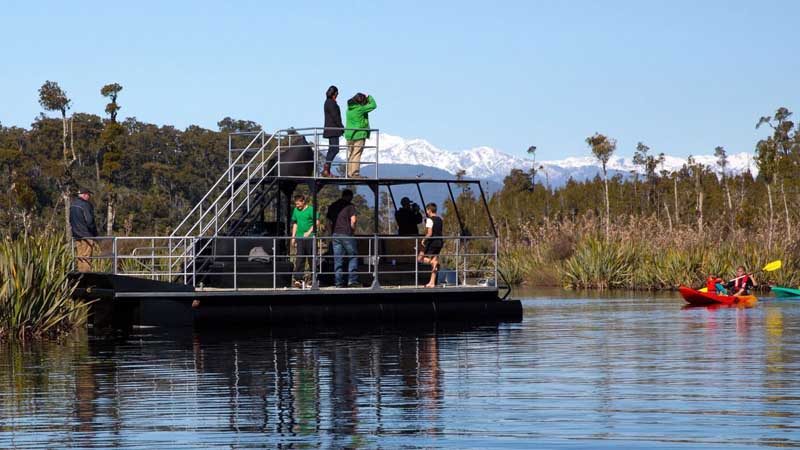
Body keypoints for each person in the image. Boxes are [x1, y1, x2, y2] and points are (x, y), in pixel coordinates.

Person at [326, 189, 359, 287]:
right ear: (349, 196)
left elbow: (327, 221)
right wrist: (352, 231)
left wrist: (331, 232)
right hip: (346, 233)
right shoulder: (350, 206)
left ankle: (338, 282)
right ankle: (352, 281)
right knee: (353, 255)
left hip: (335, 234)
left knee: (338, 259)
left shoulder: (333, 205)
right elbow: (353, 220)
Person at [344, 93, 377, 178]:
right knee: (357, 153)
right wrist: (369, 96)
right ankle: (355, 173)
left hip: (349, 134)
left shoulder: (349, 110)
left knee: (351, 154)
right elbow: (373, 105)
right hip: (359, 134)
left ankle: (349, 173)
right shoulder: (360, 109)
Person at [290, 194, 320, 288]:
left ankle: (313, 279)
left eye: (298, 204)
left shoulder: (311, 210)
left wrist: (309, 232)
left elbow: (317, 222)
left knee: (312, 258)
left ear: (303, 202)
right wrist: (293, 237)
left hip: (310, 238)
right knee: (299, 259)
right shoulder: (295, 210)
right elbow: (295, 223)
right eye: (296, 204)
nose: (297, 206)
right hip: (300, 238)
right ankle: (298, 279)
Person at [70, 188, 98, 272]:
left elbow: (70, 220)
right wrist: (94, 233)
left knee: (80, 256)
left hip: (76, 235)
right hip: (86, 234)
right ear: (85, 194)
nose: (89, 197)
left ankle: (80, 275)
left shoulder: (73, 205)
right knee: (86, 256)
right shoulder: (85, 205)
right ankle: (86, 275)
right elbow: (90, 221)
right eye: (88, 195)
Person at [417, 203, 443, 288]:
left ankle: (432, 262)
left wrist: (424, 239)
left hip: (432, 242)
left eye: (427, 210)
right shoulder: (440, 219)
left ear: (429, 210)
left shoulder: (429, 220)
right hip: (439, 241)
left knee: (420, 258)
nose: (427, 212)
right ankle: (432, 282)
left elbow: (429, 233)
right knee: (435, 262)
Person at [322, 85, 344, 177]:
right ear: (334, 93)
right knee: (334, 149)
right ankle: (326, 169)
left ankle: (326, 170)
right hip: (333, 130)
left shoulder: (328, 102)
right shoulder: (331, 103)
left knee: (332, 149)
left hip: (331, 129)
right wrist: (341, 127)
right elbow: (335, 117)